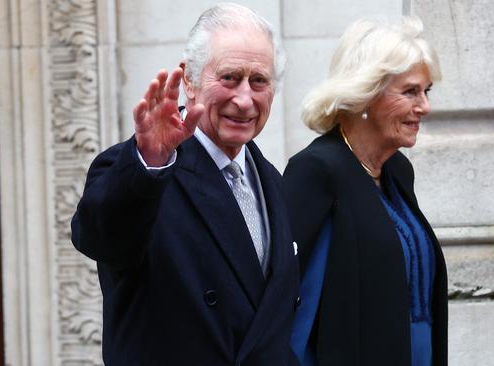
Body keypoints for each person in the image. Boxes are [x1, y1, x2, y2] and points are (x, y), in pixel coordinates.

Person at [71, 3, 300, 365]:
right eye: (229, 78)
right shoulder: (142, 168)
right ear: (189, 81)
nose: (244, 100)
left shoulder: (271, 180)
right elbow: (98, 238)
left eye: (259, 81)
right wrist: (151, 162)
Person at [284, 16, 448, 366]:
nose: (425, 107)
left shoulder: (397, 170)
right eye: (410, 92)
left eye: (426, 91)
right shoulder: (317, 170)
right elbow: (293, 302)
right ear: (366, 93)